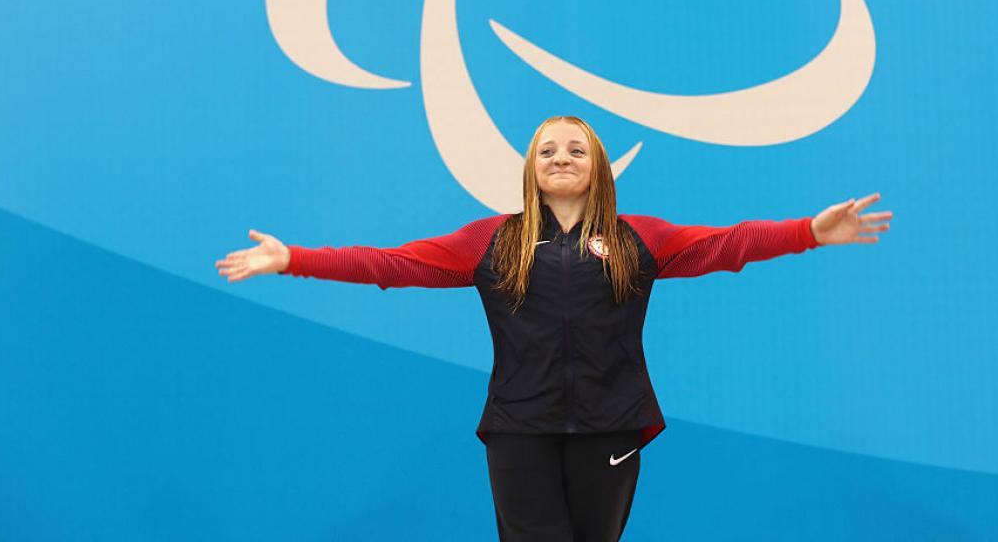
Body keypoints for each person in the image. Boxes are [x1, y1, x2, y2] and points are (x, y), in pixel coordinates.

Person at [215, 115, 893, 541]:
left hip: (612, 426)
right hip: (520, 429)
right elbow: (391, 264)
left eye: (575, 148)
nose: (561, 157)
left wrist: (809, 232)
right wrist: (292, 258)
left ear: (596, 166)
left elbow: (727, 244)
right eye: (547, 150)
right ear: (531, 170)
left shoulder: (639, 238)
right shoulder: (491, 242)